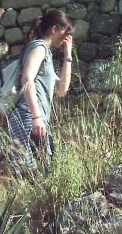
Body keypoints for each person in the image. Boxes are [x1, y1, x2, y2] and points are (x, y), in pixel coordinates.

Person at [8, 9, 74, 170]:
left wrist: (67, 55)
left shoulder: (47, 54)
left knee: (41, 173)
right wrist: (36, 117)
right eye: (67, 32)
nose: (68, 37)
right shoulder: (39, 47)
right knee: (31, 174)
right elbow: (27, 78)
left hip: (35, 121)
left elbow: (62, 90)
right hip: (28, 119)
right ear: (54, 29)